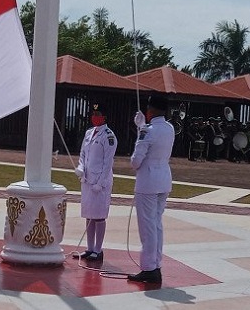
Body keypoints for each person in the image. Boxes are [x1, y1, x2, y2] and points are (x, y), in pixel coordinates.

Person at [127, 93, 174, 285]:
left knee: (147, 228)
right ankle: (155, 264)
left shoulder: (149, 130)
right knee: (156, 225)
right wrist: (142, 129)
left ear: (151, 109)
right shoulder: (169, 128)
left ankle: (149, 268)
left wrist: (141, 131)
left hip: (148, 181)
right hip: (164, 178)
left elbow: (135, 162)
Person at [72, 103, 117, 262]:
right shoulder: (89, 133)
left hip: (100, 182)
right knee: (89, 215)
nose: (94, 116)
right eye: (93, 113)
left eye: (98, 113)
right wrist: (81, 167)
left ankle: (98, 250)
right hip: (87, 180)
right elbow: (83, 154)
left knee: (99, 217)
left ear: (104, 117)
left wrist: (101, 182)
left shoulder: (108, 136)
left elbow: (108, 162)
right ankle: (90, 248)